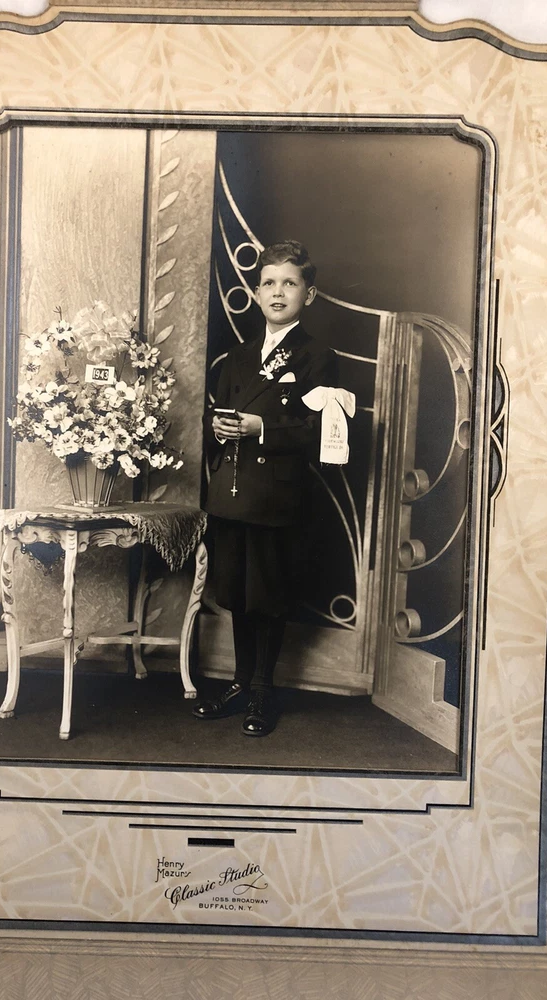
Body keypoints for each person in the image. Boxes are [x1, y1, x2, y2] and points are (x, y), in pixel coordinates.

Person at [195, 240, 337, 736]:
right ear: (256, 293)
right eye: (269, 283)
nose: (279, 292)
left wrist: (262, 429)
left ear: (308, 294)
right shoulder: (237, 357)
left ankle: (262, 689)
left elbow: (320, 431)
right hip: (234, 492)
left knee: (268, 595)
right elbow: (216, 416)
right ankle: (239, 682)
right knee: (237, 592)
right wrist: (218, 429)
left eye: (290, 283)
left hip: (277, 495)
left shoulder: (318, 357)